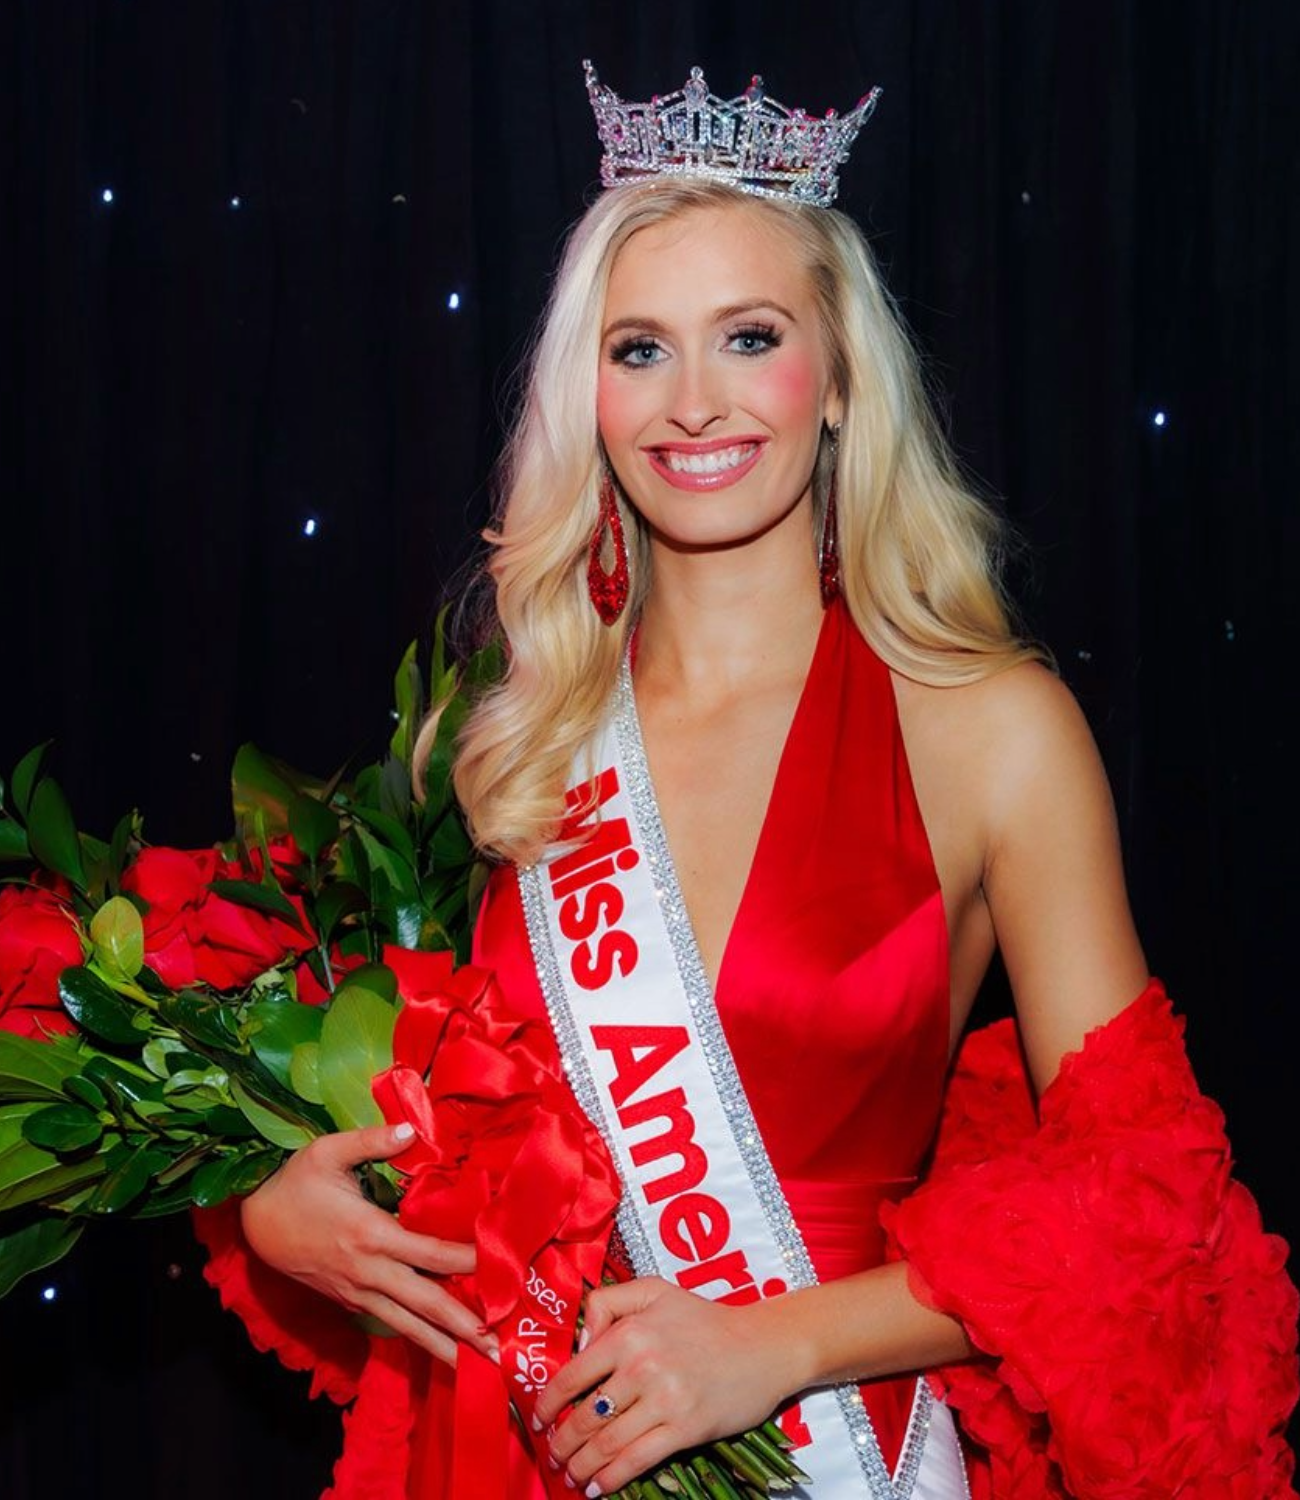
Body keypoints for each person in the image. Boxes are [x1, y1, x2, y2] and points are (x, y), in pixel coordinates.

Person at [201, 64, 1299, 1499]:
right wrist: (272, 1206)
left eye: (752, 336)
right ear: (584, 391)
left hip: (835, 1450)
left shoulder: (990, 726)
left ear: (839, 378)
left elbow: (1142, 1205)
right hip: (528, 1451)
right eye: (640, 348)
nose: (694, 402)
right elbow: (433, 1118)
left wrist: (774, 1346)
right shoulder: (511, 729)